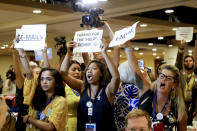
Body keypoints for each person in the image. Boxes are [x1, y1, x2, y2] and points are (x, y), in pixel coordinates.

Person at [124, 40, 187, 131]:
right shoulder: (147, 91)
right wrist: (127, 46)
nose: (163, 79)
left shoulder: (178, 108)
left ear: (174, 84)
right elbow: (135, 69)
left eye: (168, 78)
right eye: (162, 76)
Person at [60, 40, 120, 131]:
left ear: (101, 73)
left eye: (94, 69)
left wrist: (104, 53)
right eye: (88, 69)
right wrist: (68, 53)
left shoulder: (108, 91)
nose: (89, 71)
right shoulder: (82, 87)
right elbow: (63, 73)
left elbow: (116, 77)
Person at [17, 48, 68, 131]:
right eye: (42, 79)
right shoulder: (34, 95)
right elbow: (29, 73)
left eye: (48, 79)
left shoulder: (60, 101)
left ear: (56, 82)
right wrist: (22, 54)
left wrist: (29, 119)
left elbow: (50, 127)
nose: (44, 82)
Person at [175, 40, 197, 125]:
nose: (188, 62)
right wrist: (181, 47)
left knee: (189, 125)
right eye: (186, 61)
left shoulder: (196, 77)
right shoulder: (181, 73)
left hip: (191, 105)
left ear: (194, 63)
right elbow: (178, 62)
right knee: (180, 124)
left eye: (190, 60)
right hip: (180, 103)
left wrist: (196, 109)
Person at [114, 61, 139, 131]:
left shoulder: (117, 88)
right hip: (130, 125)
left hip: (117, 125)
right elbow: (135, 110)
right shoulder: (133, 88)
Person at [65, 60, 82, 131]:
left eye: (79, 70)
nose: (77, 72)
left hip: (83, 123)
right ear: (66, 72)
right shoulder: (63, 87)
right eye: (74, 70)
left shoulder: (84, 87)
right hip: (68, 125)